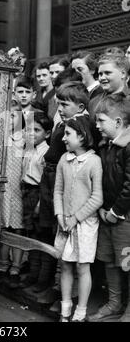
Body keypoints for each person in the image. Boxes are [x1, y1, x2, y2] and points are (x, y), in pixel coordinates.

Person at [26, 82, 89, 297]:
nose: (59, 108)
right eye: (58, 103)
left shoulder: (80, 126)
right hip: (50, 179)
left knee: (59, 235)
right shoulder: (64, 123)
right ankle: (42, 279)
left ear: (80, 107)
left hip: (61, 182)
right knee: (45, 230)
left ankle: (57, 288)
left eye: (64, 104)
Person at [54, 116, 103, 322]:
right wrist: (60, 215)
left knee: (83, 267)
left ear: (82, 136)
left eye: (68, 134)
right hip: (64, 223)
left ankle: (80, 312)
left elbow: (97, 197)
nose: (64, 138)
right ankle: (65, 308)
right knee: (65, 264)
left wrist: (76, 218)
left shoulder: (94, 162)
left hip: (85, 225)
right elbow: (58, 190)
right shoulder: (64, 160)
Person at [89, 94, 130, 322]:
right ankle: (114, 303)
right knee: (109, 259)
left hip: (124, 218)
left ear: (118, 122)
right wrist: (103, 209)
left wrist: (115, 212)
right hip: (107, 215)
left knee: (127, 261)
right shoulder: (107, 146)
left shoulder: (128, 147)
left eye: (101, 120)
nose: (97, 125)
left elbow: (129, 185)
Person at [18, 112, 53, 289]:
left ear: (47, 134)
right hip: (27, 194)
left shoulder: (47, 152)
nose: (31, 133)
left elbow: (46, 182)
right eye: (29, 129)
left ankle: (42, 279)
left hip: (39, 195)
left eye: (37, 130)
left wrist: (40, 203)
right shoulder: (28, 149)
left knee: (42, 238)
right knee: (31, 236)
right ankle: (32, 275)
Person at [0, 100, 26, 285]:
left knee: (18, 227)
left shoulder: (25, 139)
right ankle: (2, 263)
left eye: (13, 116)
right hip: (4, 189)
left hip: (18, 190)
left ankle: (16, 265)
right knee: (3, 226)